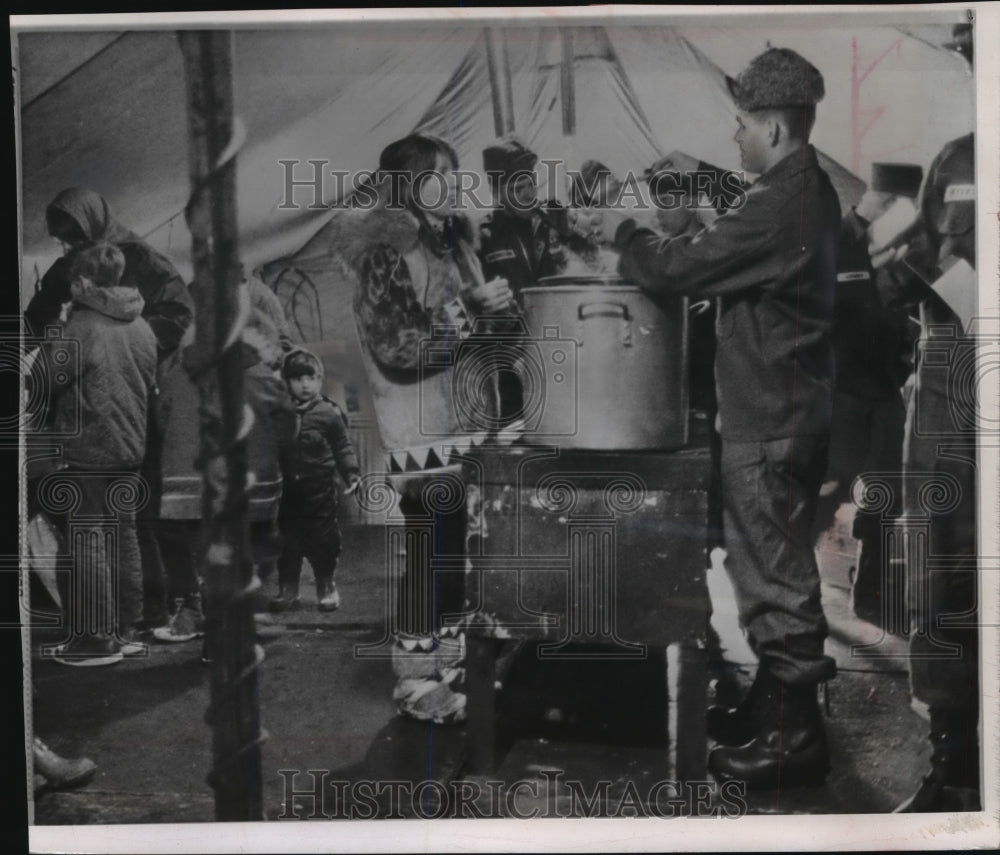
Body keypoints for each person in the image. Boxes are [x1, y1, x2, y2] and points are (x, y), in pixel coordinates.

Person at [593, 47, 841, 788]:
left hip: (769, 414)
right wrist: (699, 183)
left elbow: (675, 269)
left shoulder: (780, 202)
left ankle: (795, 741)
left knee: (773, 576)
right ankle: (774, 708)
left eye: (739, 126)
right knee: (763, 563)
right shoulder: (805, 186)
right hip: (784, 406)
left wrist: (626, 230)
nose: (733, 139)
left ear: (770, 124)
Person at [339, 133, 513, 724]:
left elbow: (457, 322)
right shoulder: (383, 250)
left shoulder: (447, 239)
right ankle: (414, 681)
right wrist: (472, 314)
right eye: (441, 173)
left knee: (450, 549)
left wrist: (489, 304)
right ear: (410, 184)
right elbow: (397, 345)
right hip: (417, 428)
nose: (455, 182)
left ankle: (444, 659)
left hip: (457, 420)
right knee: (427, 553)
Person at [882, 23, 979, 813]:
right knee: (940, 561)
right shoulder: (955, 155)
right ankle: (954, 756)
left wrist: (936, 270)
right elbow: (919, 258)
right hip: (946, 374)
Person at [25, 187, 194, 635]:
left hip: (121, 419)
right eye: (62, 243)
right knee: (129, 524)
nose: (68, 249)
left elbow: (179, 313)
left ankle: (105, 631)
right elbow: (35, 317)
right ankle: (141, 619)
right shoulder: (76, 269)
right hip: (128, 420)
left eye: (73, 238)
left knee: (117, 528)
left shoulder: (142, 261)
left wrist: (110, 351)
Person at [40, 242, 158, 665]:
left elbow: (48, 380)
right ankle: (126, 629)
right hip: (130, 449)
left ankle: (95, 640)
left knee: (87, 540)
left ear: (83, 280)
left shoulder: (82, 326)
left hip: (89, 448)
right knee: (123, 537)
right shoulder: (142, 324)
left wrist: (58, 327)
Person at [154, 305, 297, 640]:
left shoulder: (179, 372)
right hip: (248, 487)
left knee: (212, 559)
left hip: (192, 489)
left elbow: (161, 418)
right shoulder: (261, 376)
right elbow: (287, 428)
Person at [814, 176, 915, 628]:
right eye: (883, 200)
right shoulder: (839, 245)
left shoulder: (907, 258)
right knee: (826, 493)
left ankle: (869, 595)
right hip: (845, 397)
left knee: (884, 501)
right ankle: (796, 591)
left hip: (886, 400)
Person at [478, 137, 600, 422]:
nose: (527, 194)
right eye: (516, 188)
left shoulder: (554, 221)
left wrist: (574, 232)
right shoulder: (484, 235)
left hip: (562, 347)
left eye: (531, 183)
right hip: (511, 358)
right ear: (497, 191)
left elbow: (593, 263)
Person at [271, 347, 361, 612]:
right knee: (287, 542)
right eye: (298, 379)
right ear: (287, 382)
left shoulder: (329, 413)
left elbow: (343, 447)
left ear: (320, 381)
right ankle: (288, 588)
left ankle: (326, 584)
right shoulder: (278, 413)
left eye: (311, 378)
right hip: (286, 490)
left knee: (324, 541)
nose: (305, 385)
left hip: (320, 488)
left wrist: (352, 474)